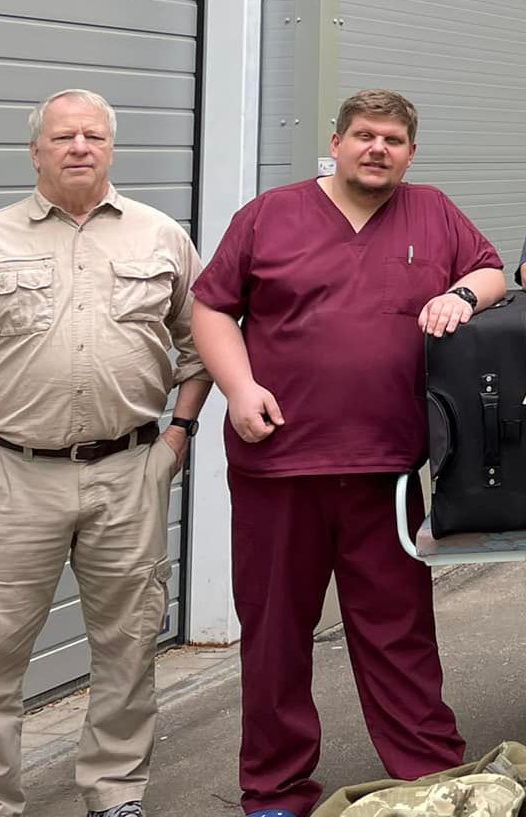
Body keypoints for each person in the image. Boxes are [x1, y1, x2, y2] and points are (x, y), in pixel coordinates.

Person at [190, 89, 506, 817]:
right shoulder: (269, 215)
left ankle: (429, 774)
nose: (377, 148)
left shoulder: (433, 211)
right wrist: (237, 389)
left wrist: (461, 294)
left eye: (393, 140)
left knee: (399, 632)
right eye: (364, 135)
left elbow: (492, 270)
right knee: (275, 635)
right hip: (278, 464)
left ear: (411, 154)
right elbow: (212, 307)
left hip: (386, 470)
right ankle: (274, 791)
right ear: (335, 143)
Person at [0, 88, 211, 817]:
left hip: (130, 473)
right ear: (36, 151)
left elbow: (203, 346)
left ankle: (114, 793)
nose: (79, 147)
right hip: (14, 479)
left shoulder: (161, 237)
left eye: (92, 135)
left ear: (111, 147)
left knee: (129, 647)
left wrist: (176, 437)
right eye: (62, 137)